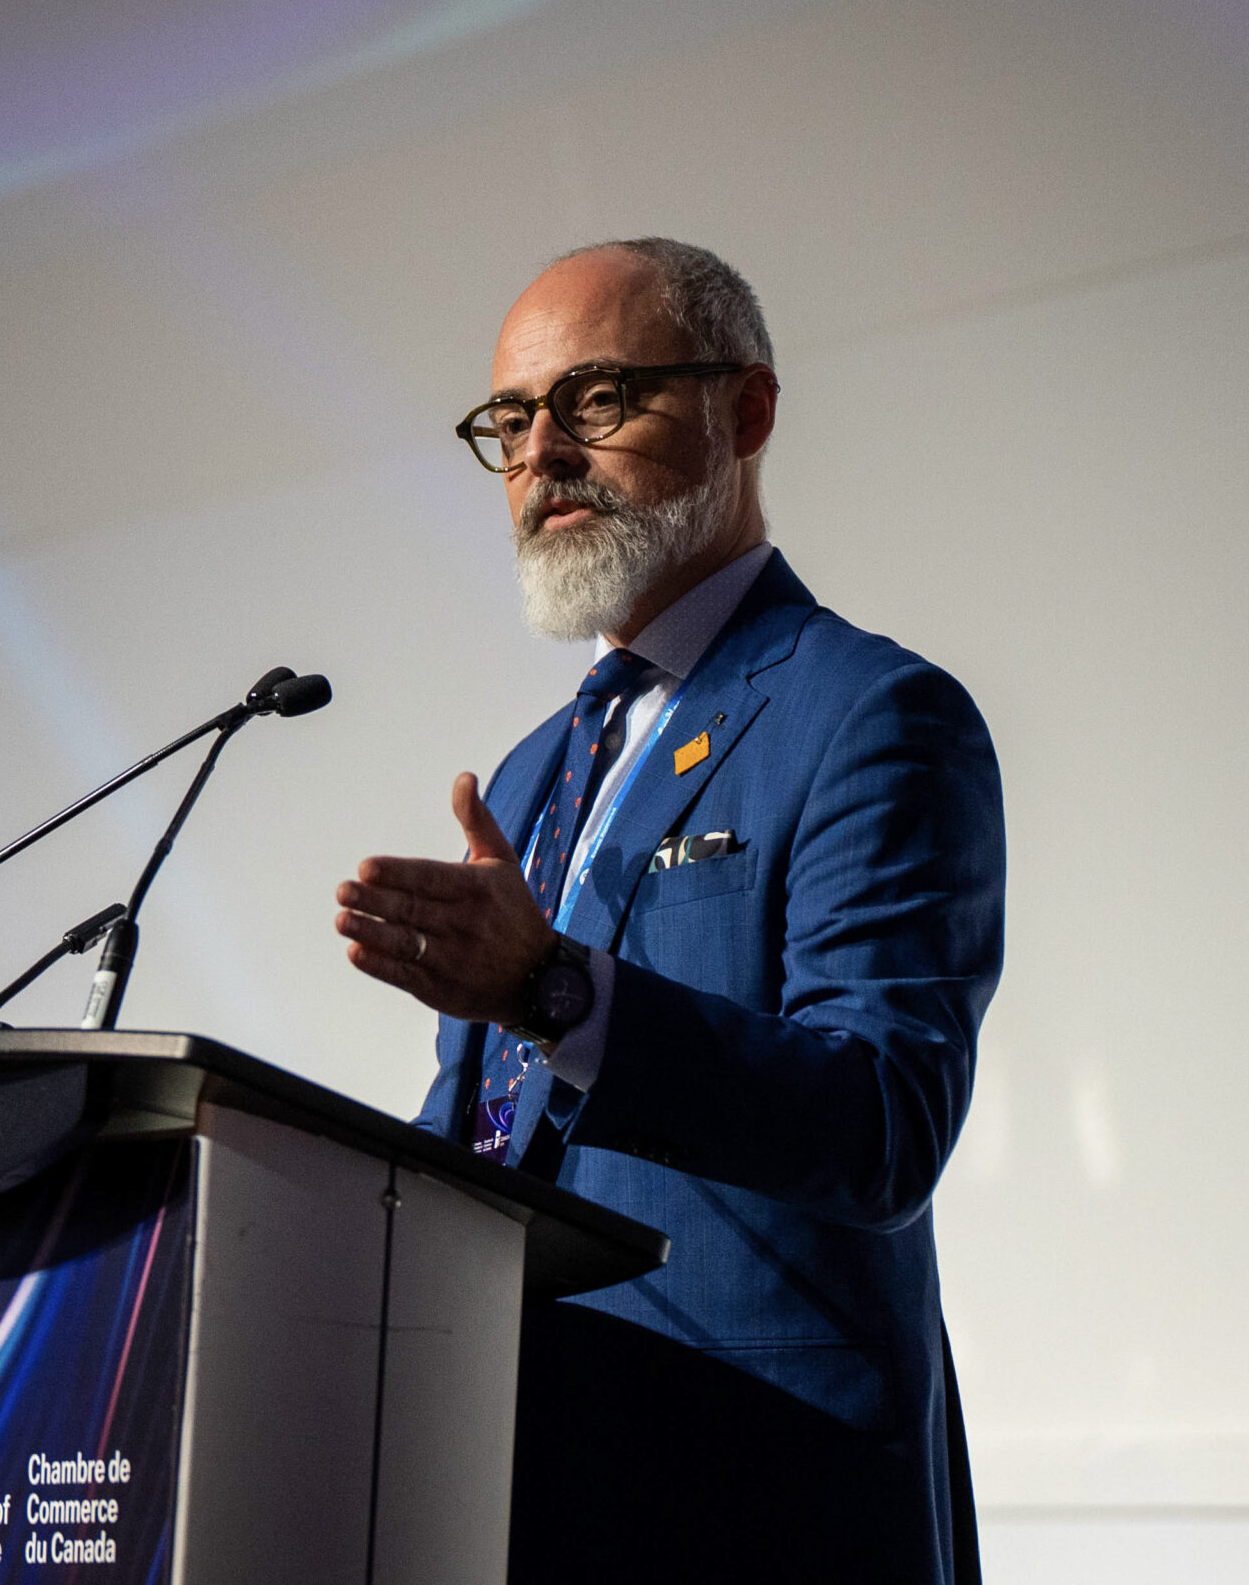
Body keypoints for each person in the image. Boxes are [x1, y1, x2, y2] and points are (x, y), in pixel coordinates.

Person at [334, 238, 1002, 1584]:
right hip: (513, 1490)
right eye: (510, 420)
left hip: (764, 1497)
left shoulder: (870, 716)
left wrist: (555, 990)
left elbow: (883, 1121)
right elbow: (486, 1132)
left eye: (595, 400)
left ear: (743, 412)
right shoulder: (530, 773)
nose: (540, 454)